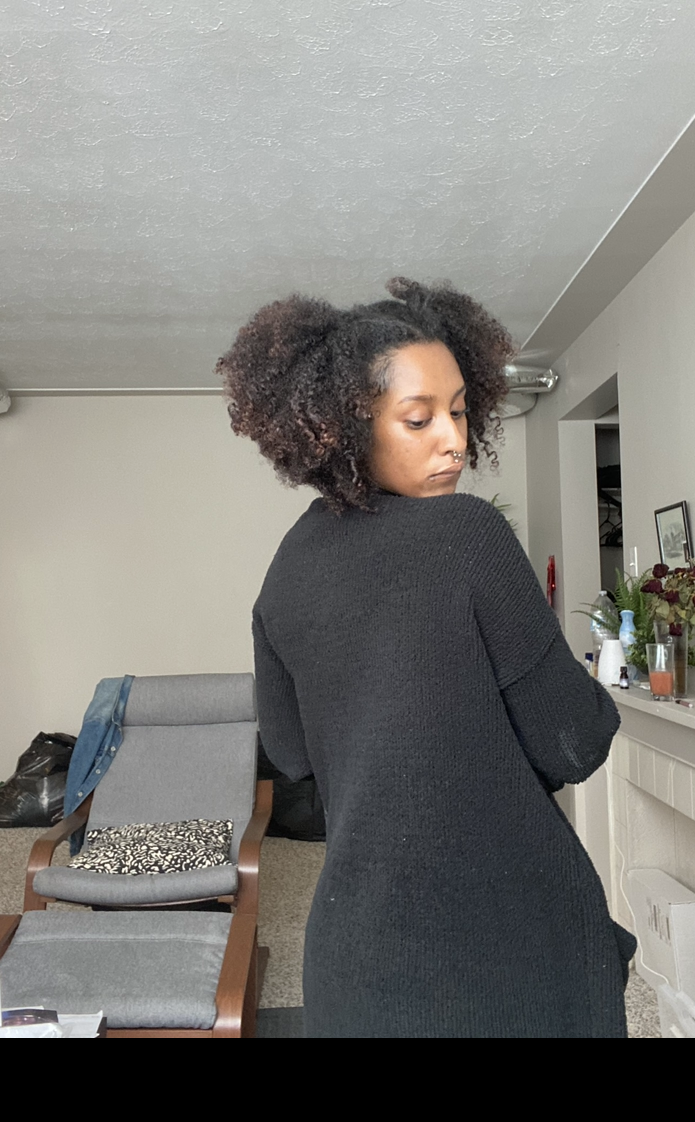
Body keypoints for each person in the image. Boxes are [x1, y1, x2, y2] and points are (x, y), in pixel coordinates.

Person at [216, 276, 635, 1038]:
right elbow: (577, 742)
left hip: (352, 955)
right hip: (505, 948)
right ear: (344, 428)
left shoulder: (286, 567)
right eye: (419, 418)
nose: (454, 439)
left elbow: (292, 754)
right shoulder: (469, 536)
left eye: (460, 410)